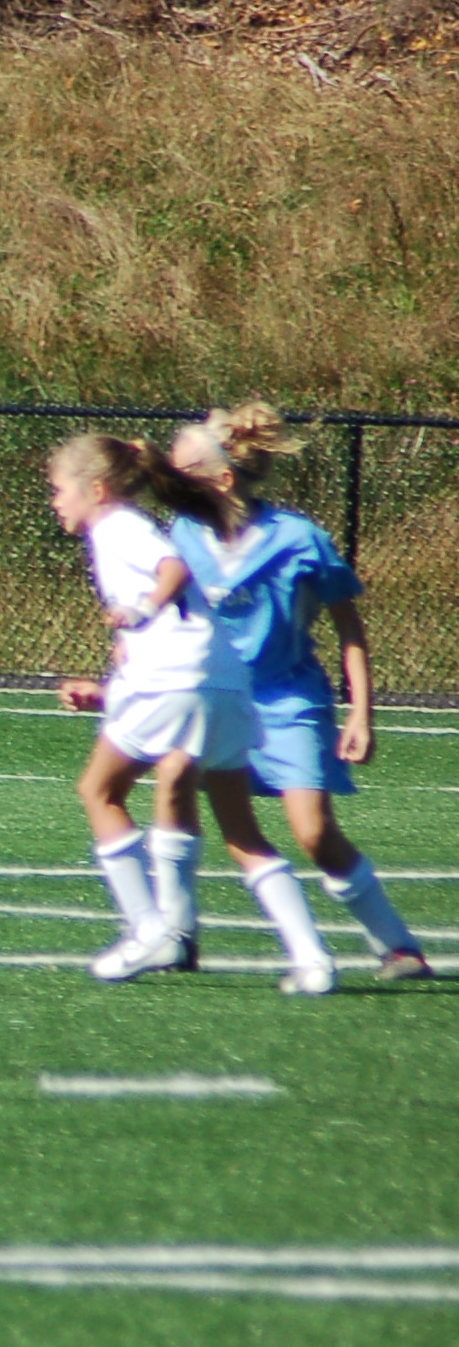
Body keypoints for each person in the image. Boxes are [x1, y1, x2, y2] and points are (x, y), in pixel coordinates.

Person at [45, 434, 337, 995]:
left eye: (59, 490)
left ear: (96, 490)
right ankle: (313, 959)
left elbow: (173, 569)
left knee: (99, 791)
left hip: (174, 682)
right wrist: (108, 690)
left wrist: (143, 607)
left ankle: (150, 930)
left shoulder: (118, 526)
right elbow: (162, 635)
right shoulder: (122, 530)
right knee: (241, 831)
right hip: (221, 681)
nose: (55, 501)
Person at [163, 403, 431, 982]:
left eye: (182, 474)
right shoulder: (182, 534)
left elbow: (349, 629)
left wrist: (361, 714)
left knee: (314, 833)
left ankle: (397, 946)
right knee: (177, 791)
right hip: (215, 698)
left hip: (288, 701)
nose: (171, 486)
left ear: (222, 479)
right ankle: (177, 934)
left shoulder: (298, 538)